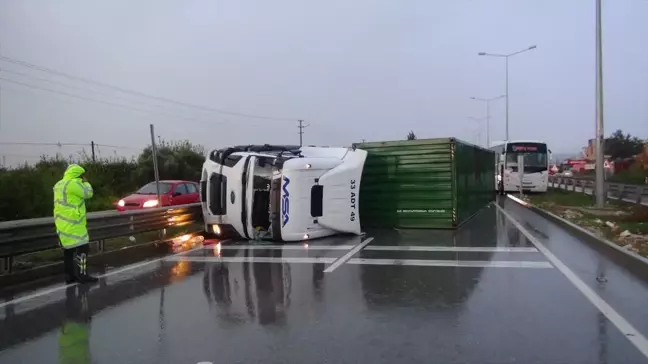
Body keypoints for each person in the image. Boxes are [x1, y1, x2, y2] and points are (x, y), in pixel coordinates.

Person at [53, 164, 98, 284]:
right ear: (79, 174)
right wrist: (86, 182)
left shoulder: (58, 184)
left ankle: (70, 276)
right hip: (74, 222)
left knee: (68, 250)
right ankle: (82, 275)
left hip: (62, 223)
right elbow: (88, 193)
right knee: (83, 249)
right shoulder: (74, 183)